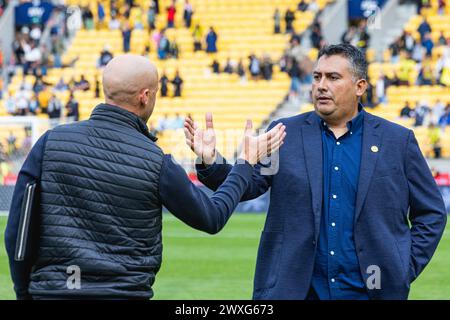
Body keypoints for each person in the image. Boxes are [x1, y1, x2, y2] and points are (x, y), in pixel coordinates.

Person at [4, 54, 286, 300]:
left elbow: (18, 228)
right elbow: (212, 217)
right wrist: (245, 162)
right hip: (124, 293)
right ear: (145, 96)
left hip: (52, 292)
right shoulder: (156, 162)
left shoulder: (50, 142)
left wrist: (24, 292)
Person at [184, 44, 447, 300]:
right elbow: (249, 185)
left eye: (333, 77)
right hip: (296, 291)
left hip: (371, 291)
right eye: (317, 77)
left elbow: (432, 212)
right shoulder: (283, 133)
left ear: (360, 87)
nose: (321, 85)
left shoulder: (397, 141)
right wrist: (211, 161)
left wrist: (402, 268)